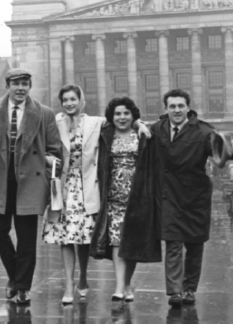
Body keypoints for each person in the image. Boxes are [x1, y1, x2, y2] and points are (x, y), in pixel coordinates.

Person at [42, 85, 151, 306]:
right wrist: (47, 159)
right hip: (64, 187)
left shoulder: (96, 122)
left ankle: (83, 275)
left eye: (73, 99)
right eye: (65, 100)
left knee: (83, 237)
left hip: (88, 186)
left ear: (82, 101)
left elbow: (122, 121)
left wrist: (140, 123)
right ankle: (69, 284)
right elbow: (44, 145)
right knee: (65, 237)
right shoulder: (56, 121)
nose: (69, 103)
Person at [0, 68, 62, 305]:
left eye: (25, 83)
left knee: (27, 238)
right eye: (16, 83)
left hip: (30, 181)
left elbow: (54, 149)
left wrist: (47, 168)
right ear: (7, 85)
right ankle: (15, 277)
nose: (21, 88)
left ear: (29, 86)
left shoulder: (44, 113)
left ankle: (23, 288)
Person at [150, 89, 233, 307]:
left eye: (181, 106)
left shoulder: (204, 131)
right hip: (169, 194)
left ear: (188, 108)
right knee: (173, 242)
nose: (177, 110)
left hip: (195, 196)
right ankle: (175, 291)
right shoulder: (156, 129)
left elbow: (218, 151)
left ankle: (189, 289)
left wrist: (229, 148)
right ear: (166, 108)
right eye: (172, 106)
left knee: (195, 245)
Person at [90, 97, 162, 304]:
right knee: (116, 242)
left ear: (133, 115)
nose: (122, 118)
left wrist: (140, 125)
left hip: (138, 196)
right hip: (112, 197)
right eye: (118, 114)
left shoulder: (144, 135)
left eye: (126, 114)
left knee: (130, 242)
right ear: (112, 117)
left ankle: (126, 283)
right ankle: (120, 286)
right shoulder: (105, 134)